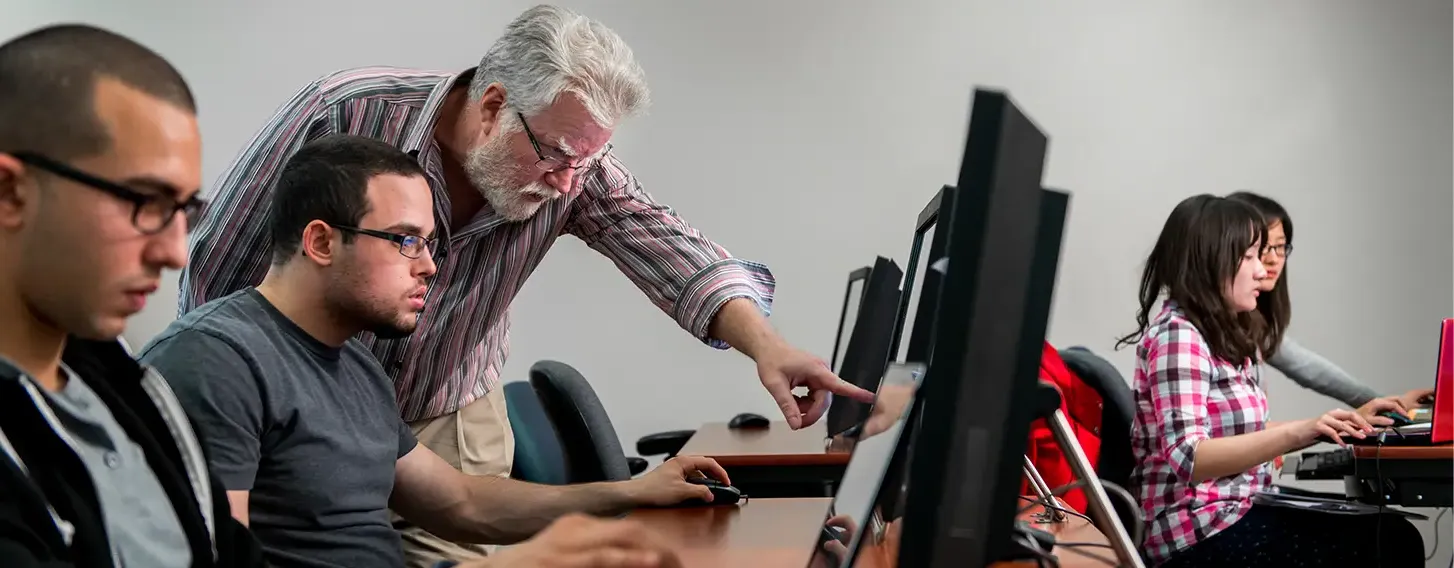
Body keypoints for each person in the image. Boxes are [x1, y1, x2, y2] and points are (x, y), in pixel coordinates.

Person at [180, 5, 870, 564]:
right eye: (559, 156)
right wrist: (249, 404)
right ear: (493, 105)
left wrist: (765, 349)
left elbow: (671, 249)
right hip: (294, 410)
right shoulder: (346, 115)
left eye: (592, 160)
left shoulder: (574, 168)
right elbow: (220, 268)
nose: (570, 183)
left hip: (439, 412)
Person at [141, 134, 721, 568]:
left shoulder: (354, 362)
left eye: (429, 242)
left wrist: (630, 494)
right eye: (405, 241)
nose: (429, 265)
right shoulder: (214, 362)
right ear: (320, 242)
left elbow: (460, 503)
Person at [0, 24, 265, 567]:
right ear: (9, 192)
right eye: (146, 201)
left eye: (184, 211)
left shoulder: (136, 391)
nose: (175, 254)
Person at [1117, 194, 1423, 567]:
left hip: (1233, 510)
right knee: (1389, 541)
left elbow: (1232, 433)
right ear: (1211, 260)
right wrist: (1302, 431)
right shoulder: (1179, 336)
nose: (1263, 270)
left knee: (1389, 533)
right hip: (1195, 531)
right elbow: (1189, 456)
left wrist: (1342, 419)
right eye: (1250, 257)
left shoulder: (1215, 334)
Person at [1226, 191, 1433, 414]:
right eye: (1261, 248)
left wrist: (1386, 404)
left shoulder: (1256, 322)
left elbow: (1309, 368)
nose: (1273, 259)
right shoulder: (1194, 330)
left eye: (1281, 247)